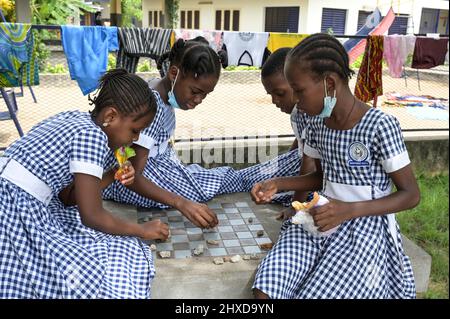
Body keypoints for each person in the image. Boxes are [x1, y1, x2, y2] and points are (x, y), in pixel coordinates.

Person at [251, 33, 420, 299]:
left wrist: (348, 210)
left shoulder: (380, 126)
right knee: (267, 288)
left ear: (330, 83)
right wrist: (279, 184)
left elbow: (411, 195)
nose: (295, 99)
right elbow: (321, 178)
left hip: (365, 228)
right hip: (320, 218)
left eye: (299, 90)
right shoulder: (318, 124)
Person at [0, 68, 169, 298]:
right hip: (12, 205)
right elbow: (92, 216)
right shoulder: (93, 137)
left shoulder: (74, 118)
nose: (136, 138)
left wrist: (113, 173)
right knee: (76, 276)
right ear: (110, 117)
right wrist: (141, 230)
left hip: (10, 190)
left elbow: (69, 198)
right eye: (135, 130)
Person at [238, 47, 315, 215]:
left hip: (308, 173)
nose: (274, 101)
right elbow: (301, 141)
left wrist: (296, 206)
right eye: (270, 95)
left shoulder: (308, 111)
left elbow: (308, 164)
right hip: (297, 164)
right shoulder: (298, 112)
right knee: (248, 180)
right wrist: (284, 162)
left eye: (279, 93)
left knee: (246, 181)